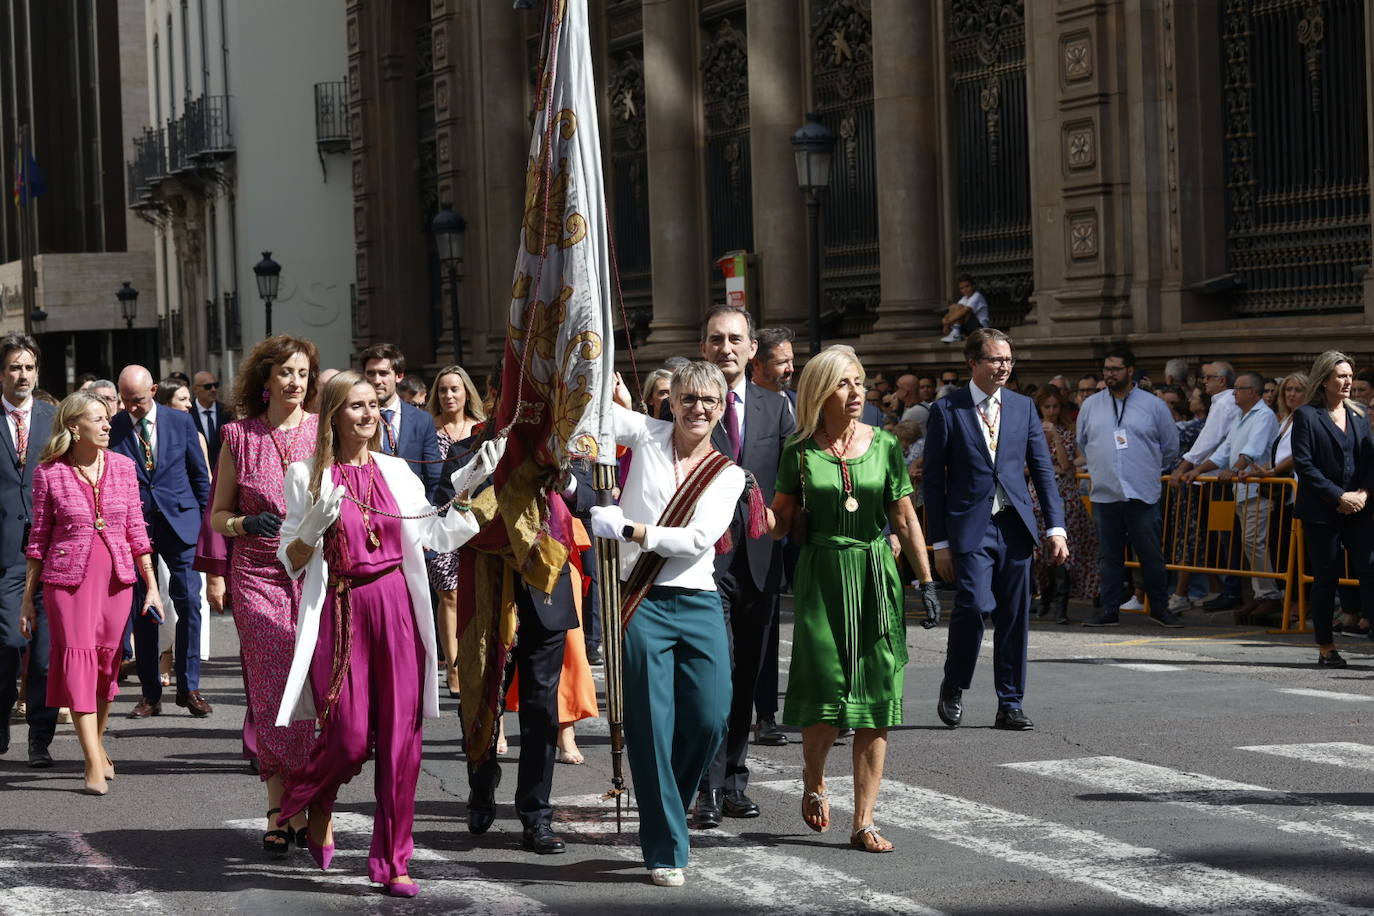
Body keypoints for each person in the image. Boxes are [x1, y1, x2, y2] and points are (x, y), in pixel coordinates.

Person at [274, 371, 499, 897]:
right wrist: (309, 530)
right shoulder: (306, 474)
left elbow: (435, 532)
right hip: (344, 609)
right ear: (332, 415)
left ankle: (394, 861)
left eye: (373, 404)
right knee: (350, 740)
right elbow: (289, 560)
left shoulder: (397, 470)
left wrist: (467, 487)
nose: (368, 414)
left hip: (398, 606)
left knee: (402, 744)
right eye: (355, 406)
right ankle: (311, 798)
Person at [766, 346, 939, 853]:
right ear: (821, 392)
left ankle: (864, 820)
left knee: (876, 698)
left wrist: (925, 582)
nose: (857, 392)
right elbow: (779, 519)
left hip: (874, 574)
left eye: (860, 382)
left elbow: (904, 518)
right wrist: (750, 507)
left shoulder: (885, 444)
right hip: (821, 576)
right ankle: (814, 778)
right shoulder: (798, 452)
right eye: (844, 384)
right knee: (825, 691)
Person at [593, 361, 745, 887]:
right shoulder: (647, 433)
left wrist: (631, 529)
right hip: (641, 600)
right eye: (688, 398)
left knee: (709, 718)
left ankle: (667, 810)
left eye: (709, 400)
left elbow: (699, 539)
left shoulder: (729, 473)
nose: (698, 409)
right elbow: (592, 421)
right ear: (670, 401)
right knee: (651, 727)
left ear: (721, 407)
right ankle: (664, 847)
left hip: (699, 601)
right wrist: (598, 373)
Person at [437, 358, 596, 855]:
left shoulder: (560, 449)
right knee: (482, 690)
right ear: (495, 398)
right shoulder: (470, 448)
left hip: (544, 587)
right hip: (487, 586)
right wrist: (482, 472)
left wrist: (564, 480)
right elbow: (446, 512)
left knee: (540, 706)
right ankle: (481, 787)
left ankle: (536, 814)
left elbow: (592, 497)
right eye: (514, 395)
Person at [209, 335, 321, 855]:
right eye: (286, 373)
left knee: (314, 690)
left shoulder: (324, 432)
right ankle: (283, 805)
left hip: (315, 572)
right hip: (256, 573)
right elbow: (217, 516)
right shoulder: (239, 436)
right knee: (276, 684)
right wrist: (244, 522)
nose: (295, 382)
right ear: (265, 381)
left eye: (302, 373)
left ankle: (296, 802)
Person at [924, 328, 1068, 731]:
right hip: (970, 527)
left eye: (1008, 359)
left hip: (1014, 525)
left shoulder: (1023, 407)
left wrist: (1056, 527)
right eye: (995, 359)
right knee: (972, 604)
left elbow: (1042, 471)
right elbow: (934, 482)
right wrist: (940, 542)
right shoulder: (947, 410)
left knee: (1015, 615)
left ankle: (1010, 702)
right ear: (973, 363)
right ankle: (954, 684)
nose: (1004, 366)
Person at [20, 392, 162, 795]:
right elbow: (39, 539)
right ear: (73, 427)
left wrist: (151, 587)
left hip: (117, 580)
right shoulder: (50, 473)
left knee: (105, 666)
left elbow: (137, 531)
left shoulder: (123, 466)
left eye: (107, 418)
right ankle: (90, 761)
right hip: (67, 583)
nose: (106, 425)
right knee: (79, 663)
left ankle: (97, 746)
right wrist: (28, 598)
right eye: (97, 419)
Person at [694, 306, 795, 826]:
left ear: (752, 349)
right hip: (702, 561)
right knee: (714, 677)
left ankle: (733, 780)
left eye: (735, 339)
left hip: (759, 559)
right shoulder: (686, 405)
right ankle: (704, 788)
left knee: (746, 673)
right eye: (716, 339)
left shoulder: (777, 407)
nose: (725, 348)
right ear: (704, 345)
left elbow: (792, 480)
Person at [109, 366, 211, 719]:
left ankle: (189, 687)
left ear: (153, 390)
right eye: (126, 401)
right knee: (144, 611)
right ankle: (151, 693)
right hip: (136, 529)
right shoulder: (116, 427)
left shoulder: (180, 422)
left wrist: (205, 528)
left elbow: (200, 477)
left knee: (189, 604)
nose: (131, 408)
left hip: (181, 526)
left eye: (137, 401)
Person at [1077, 348, 1182, 627]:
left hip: (1142, 491)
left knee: (1150, 555)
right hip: (1105, 492)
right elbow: (1082, 442)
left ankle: (1159, 607)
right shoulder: (1091, 406)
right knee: (1109, 556)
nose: (1109, 374)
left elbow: (1171, 446)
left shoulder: (1153, 405)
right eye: (1106, 369)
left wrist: (1146, 468)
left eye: (1115, 369)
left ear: (1130, 371)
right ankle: (1109, 609)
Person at [1290, 352, 1374, 669]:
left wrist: (1363, 493)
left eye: (1350, 375)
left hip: (1360, 508)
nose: (1348, 381)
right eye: (1340, 376)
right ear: (1324, 380)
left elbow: (1368, 460)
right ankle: (1326, 646)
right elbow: (1305, 466)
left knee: (1370, 569)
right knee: (1327, 578)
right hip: (1323, 510)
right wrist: (1339, 496)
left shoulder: (1359, 413)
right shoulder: (1307, 416)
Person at [0, 334, 58, 767]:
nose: (23, 375)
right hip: (5, 559)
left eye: (29, 368)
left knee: (43, 655)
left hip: (50, 553)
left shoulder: (54, 418)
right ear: (1, 373)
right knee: (6, 648)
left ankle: (40, 737)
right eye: (15, 368)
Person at [1182, 371, 1282, 623]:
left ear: (1254, 393)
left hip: (1257, 489)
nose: (1234, 392)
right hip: (1242, 490)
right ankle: (1261, 594)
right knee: (1250, 545)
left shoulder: (1264, 416)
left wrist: (1234, 469)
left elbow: (1252, 451)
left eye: (1239, 388)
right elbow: (1224, 450)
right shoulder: (1241, 415)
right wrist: (1198, 469)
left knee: (1253, 542)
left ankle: (1269, 595)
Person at [425, 364, 486, 695]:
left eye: (454, 389)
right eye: (443, 390)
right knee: (448, 594)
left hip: (477, 521)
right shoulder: (428, 430)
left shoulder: (482, 430)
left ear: (466, 393)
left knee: (476, 593)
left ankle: (480, 659)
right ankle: (454, 667)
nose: (448, 395)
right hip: (439, 520)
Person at [1170, 361, 1243, 611]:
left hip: (1220, 480)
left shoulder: (1224, 402)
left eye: (1207, 377)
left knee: (1226, 537)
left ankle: (1232, 591)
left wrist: (1185, 466)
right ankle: (1224, 589)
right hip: (1214, 476)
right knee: (1220, 537)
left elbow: (1208, 440)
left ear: (1221, 380)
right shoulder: (1222, 403)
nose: (1203, 382)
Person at [1031, 386, 1098, 624]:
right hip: (1037, 497)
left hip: (1066, 497)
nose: (1051, 411)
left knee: (1064, 553)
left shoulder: (1067, 433)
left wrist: (1057, 437)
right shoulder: (1030, 430)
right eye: (1046, 406)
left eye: (1055, 406)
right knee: (1039, 553)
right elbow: (1023, 465)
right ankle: (1044, 596)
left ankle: (1062, 607)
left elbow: (1066, 465)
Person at [360, 344, 441, 502]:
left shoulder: (421, 420)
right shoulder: (355, 419)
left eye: (383, 373)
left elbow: (435, 477)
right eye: (371, 373)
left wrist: (427, 516)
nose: (377, 380)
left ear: (399, 376)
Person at [191, 371, 232, 467]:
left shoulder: (227, 411)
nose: (213, 389)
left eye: (216, 385)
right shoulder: (188, 413)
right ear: (195, 389)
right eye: (208, 386)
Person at [939, 274, 989, 344]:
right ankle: (955, 333)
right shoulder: (964, 299)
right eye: (962, 288)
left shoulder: (977, 296)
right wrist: (945, 321)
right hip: (969, 327)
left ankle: (956, 334)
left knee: (960, 309)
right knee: (953, 306)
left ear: (973, 286)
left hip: (980, 328)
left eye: (967, 286)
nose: (965, 290)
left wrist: (948, 321)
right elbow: (954, 310)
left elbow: (965, 311)